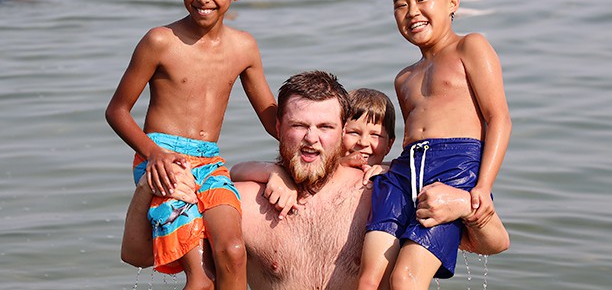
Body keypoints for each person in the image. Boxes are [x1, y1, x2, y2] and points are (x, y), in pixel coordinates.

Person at [120, 71, 509, 290]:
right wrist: (147, 187)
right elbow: (138, 256)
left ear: (343, 131)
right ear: (277, 127)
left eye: (325, 126)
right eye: (299, 125)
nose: (311, 138)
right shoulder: (241, 201)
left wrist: (465, 205)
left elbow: (491, 244)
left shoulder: (382, 192)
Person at [105, 0, 277, 289]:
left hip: (210, 160)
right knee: (200, 277)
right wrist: (154, 154)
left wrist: (315, 134)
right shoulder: (160, 41)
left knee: (233, 250)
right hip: (163, 159)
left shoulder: (244, 47)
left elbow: (271, 118)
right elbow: (117, 111)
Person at [357, 0, 513, 290]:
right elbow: (414, 137)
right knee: (370, 278)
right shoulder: (403, 78)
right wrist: (388, 166)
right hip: (407, 168)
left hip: (455, 165)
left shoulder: (470, 46)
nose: (412, 12)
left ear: (453, 2)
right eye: (400, 5)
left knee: (406, 278)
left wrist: (481, 188)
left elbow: (498, 117)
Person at [229, 87, 397, 219]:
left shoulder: (386, 172)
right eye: (354, 133)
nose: (363, 142)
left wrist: (385, 170)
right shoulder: (313, 164)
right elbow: (236, 171)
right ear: (340, 133)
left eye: (375, 135)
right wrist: (274, 172)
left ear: (390, 144)